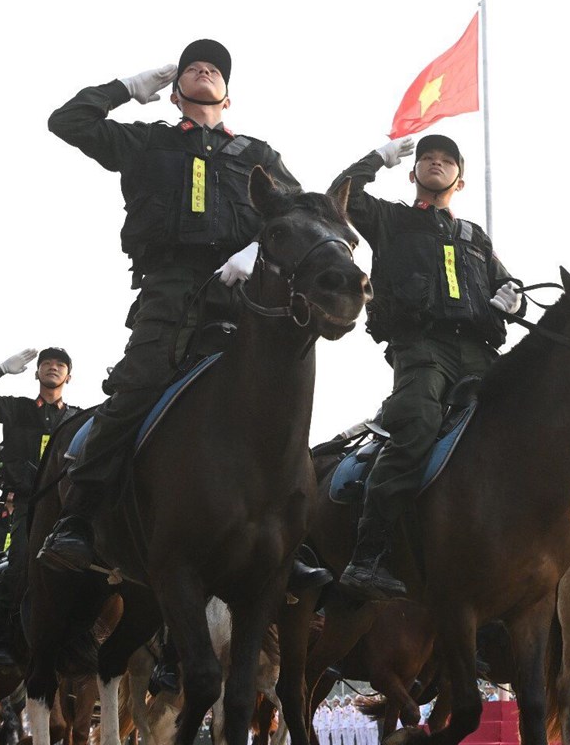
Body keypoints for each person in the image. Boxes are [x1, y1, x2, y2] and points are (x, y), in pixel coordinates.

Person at [37, 40, 309, 581]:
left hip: (242, 291)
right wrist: (126, 89)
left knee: (279, 392)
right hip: (170, 285)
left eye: (215, 69)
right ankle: (79, 518)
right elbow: (66, 121)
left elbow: (299, 213)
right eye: (193, 67)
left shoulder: (258, 155)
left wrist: (256, 250)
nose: (205, 70)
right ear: (175, 90)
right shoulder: (145, 141)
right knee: (139, 384)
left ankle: (289, 537)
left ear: (228, 96)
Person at [331, 130, 520, 599]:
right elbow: (341, 195)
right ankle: (368, 555)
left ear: (460, 178)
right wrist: (377, 156)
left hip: (479, 350)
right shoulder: (391, 219)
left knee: (520, 429)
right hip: (421, 347)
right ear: (414, 171)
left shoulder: (474, 235)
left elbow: (504, 280)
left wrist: (512, 296)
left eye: (446, 159)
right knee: (416, 425)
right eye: (428, 157)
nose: (436, 162)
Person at [0, 346, 81, 664]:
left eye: (60, 365)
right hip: (27, 505)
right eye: (47, 364)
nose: (53, 367)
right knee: (21, 563)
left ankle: (79, 640)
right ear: (36, 373)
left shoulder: (78, 419)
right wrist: (0, 369)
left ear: (70, 375)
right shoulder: (16, 410)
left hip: (68, 506)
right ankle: (2, 639)